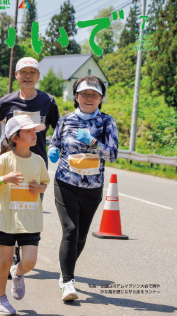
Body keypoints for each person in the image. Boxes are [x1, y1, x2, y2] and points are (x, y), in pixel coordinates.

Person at [48, 76, 118, 302]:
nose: (89, 98)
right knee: (70, 231)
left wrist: (93, 142)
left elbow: (113, 155)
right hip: (66, 183)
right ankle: (68, 282)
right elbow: (54, 142)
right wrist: (52, 151)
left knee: (81, 236)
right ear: (76, 96)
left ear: (100, 98)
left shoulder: (107, 122)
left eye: (94, 95)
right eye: (84, 94)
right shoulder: (65, 120)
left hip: (93, 187)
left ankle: (64, 270)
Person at [0, 56, 59, 267]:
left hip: (36, 164)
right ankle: (13, 254)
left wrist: (55, 146)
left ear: (38, 76)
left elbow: (58, 128)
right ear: (17, 76)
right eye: (24, 72)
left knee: (29, 207)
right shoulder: (7, 101)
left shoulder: (48, 101)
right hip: (11, 162)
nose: (28, 76)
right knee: (10, 206)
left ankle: (21, 250)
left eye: (32, 72)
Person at [0, 115, 50, 315]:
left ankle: (18, 273)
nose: (34, 134)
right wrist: (5, 179)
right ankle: (0, 299)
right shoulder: (5, 160)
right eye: (28, 131)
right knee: (4, 261)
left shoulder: (38, 160)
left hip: (30, 220)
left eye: (34, 130)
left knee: (29, 261)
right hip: (6, 219)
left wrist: (39, 188)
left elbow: (44, 185)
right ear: (15, 137)